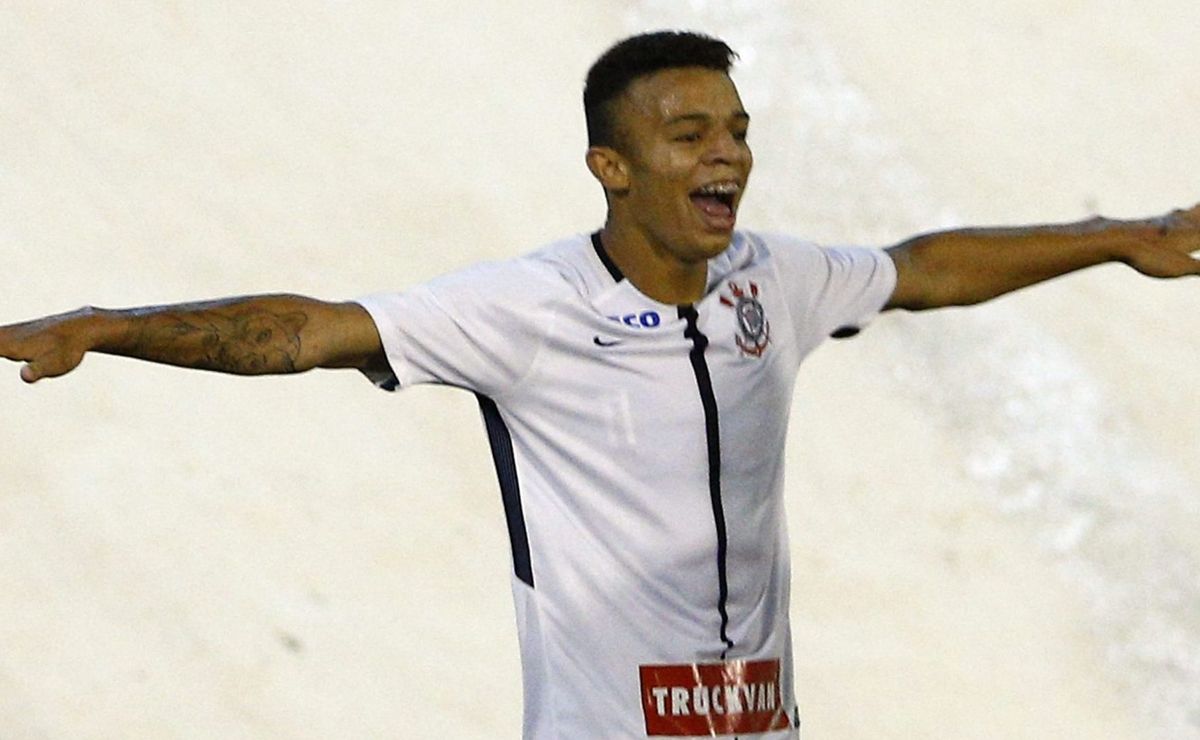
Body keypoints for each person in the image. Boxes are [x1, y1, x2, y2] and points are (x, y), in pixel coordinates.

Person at [1, 30, 1197, 739]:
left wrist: (1116, 236)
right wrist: (109, 326)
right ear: (612, 167)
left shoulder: (772, 277)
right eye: (690, 134)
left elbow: (922, 269)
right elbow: (305, 330)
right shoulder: (525, 309)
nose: (726, 153)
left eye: (736, 128)